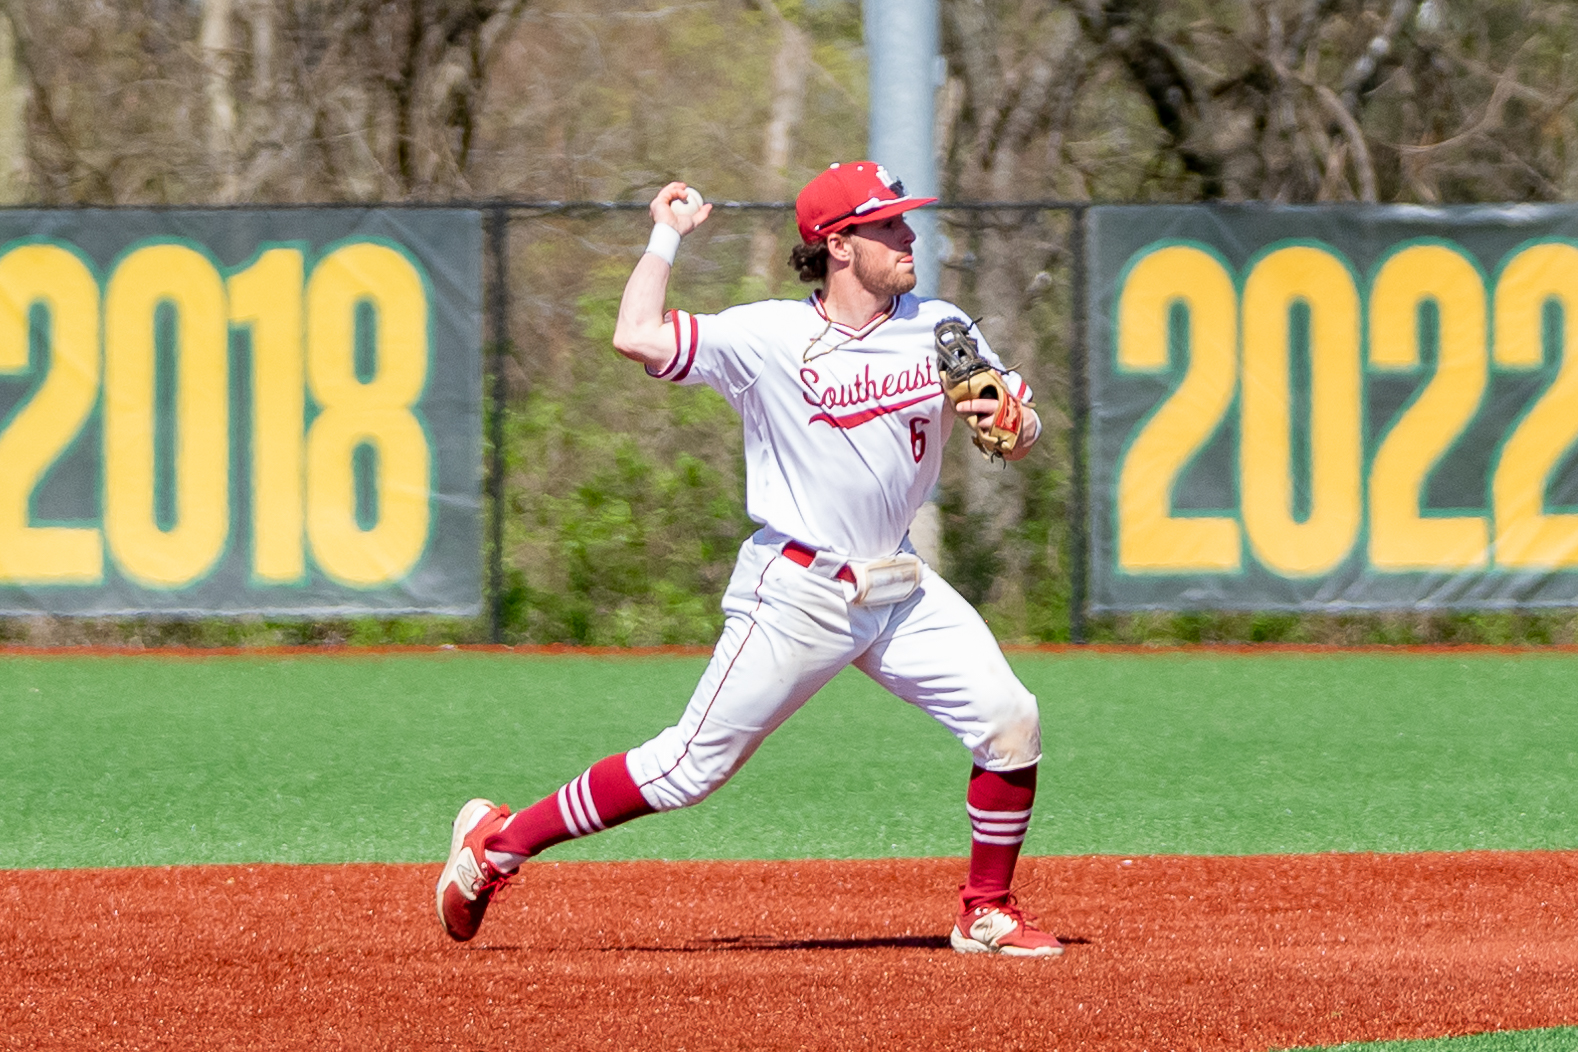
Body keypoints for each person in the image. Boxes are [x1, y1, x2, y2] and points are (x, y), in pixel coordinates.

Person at [436, 161, 1059, 957]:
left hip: (897, 585)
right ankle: (497, 845)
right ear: (839, 245)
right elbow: (635, 336)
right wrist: (665, 236)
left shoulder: (942, 325)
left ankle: (986, 911)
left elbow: (1020, 422)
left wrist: (1016, 426)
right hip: (798, 589)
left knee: (1011, 720)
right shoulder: (767, 336)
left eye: (906, 222)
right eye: (890, 226)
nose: (910, 237)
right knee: (685, 771)